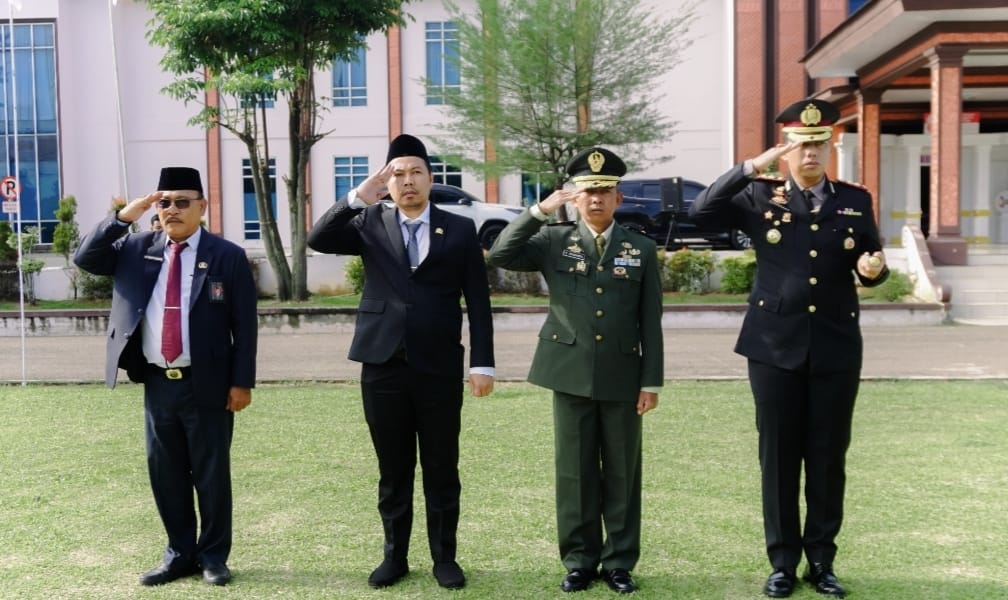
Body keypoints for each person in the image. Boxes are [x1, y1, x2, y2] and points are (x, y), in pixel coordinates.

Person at [688, 99, 889, 599]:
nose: (811, 154)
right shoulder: (759, 197)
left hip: (836, 348)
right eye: (801, 145)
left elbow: (872, 257)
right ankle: (782, 562)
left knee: (826, 456)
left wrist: (874, 272)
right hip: (773, 346)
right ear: (786, 150)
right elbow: (701, 210)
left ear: (830, 147)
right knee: (778, 457)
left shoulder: (854, 200)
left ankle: (821, 562)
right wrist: (752, 165)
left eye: (819, 144)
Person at [306, 134, 494, 590]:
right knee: (393, 470)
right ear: (385, 182)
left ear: (431, 179)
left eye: (415, 173)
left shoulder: (460, 228)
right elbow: (319, 238)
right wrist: (358, 195)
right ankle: (395, 557)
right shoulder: (369, 222)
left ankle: (444, 559)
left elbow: (479, 301)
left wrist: (482, 363)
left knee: (441, 467)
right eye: (397, 174)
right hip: (383, 363)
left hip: (439, 366)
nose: (406, 181)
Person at [486, 147, 664, 595]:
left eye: (604, 191)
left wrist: (651, 380)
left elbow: (651, 320)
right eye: (587, 192)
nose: (596, 199)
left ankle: (619, 562)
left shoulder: (639, 248)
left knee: (623, 472)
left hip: (624, 376)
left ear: (618, 198)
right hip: (568, 370)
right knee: (575, 472)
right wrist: (540, 210)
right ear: (574, 197)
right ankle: (580, 561)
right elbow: (501, 254)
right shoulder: (553, 240)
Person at [73, 167, 257, 587]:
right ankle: (178, 555)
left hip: (208, 382)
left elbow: (245, 326)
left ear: (202, 207)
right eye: (164, 202)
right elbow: (86, 258)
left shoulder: (225, 255)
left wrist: (241, 381)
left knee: (211, 474)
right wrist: (125, 216)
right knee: (166, 473)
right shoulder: (136, 248)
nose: (172, 209)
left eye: (182, 202)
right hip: (158, 381)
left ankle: (212, 557)